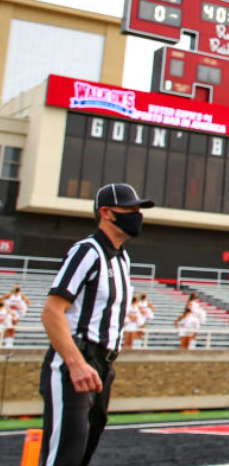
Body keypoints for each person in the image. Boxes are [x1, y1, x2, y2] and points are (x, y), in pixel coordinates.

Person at [41, 183, 151, 466]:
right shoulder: (87, 252)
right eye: (129, 209)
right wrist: (75, 363)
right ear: (107, 212)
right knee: (64, 456)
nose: (137, 214)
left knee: (82, 456)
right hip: (75, 362)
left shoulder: (122, 258)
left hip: (103, 365)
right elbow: (52, 311)